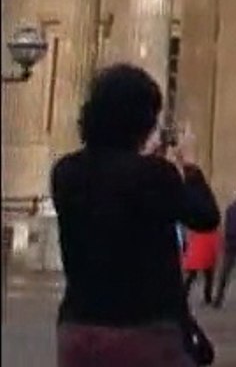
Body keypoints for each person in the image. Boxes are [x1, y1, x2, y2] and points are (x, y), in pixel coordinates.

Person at [52, 63, 220, 367]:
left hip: (78, 327)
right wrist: (190, 165)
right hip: (145, 330)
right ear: (141, 120)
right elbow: (205, 217)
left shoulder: (65, 171)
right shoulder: (154, 175)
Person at [181, 225, 219, 305]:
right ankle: (207, 297)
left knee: (191, 276)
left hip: (195, 256)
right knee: (208, 277)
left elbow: (189, 241)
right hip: (207, 256)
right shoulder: (212, 232)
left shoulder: (195, 229)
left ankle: (183, 294)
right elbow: (216, 245)